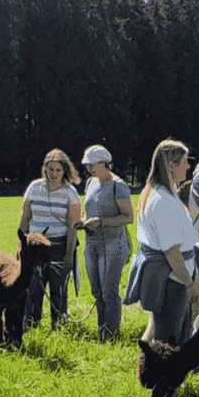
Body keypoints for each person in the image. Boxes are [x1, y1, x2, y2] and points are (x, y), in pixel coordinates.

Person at [123, 139, 199, 346]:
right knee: (167, 341)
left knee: (175, 336)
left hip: (173, 276)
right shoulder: (162, 201)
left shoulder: (163, 194)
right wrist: (189, 282)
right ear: (172, 165)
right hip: (171, 279)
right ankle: (158, 368)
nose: (188, 166)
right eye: (184, 162)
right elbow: (171, 251)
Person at [20, 149, 81, 330]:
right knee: (33, 288)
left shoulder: (70, 193)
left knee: (58, 290)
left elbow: (73, 227)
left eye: (58, 170)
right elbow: (25, 218)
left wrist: (69, 255)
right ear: (45, 169)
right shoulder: (34, 188)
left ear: (64, 171)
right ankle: (32, 325)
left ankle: (59, 325)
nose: (54, 174)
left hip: (59, 246)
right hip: (34, 247)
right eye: (51, 169)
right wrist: (21, 245)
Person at [78, 145, 133, 340]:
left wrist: (101, 222)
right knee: (96, 291)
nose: (89, 169)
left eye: (92, 165)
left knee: (109, 292)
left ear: (103, 163)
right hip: (91, 243)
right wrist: (83, 221)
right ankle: (101, 330)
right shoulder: (90, 183)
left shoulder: (118, 186)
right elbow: (88, 210)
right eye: (87, 165)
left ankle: (111, 334)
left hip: (113, 244)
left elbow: (128, 217)